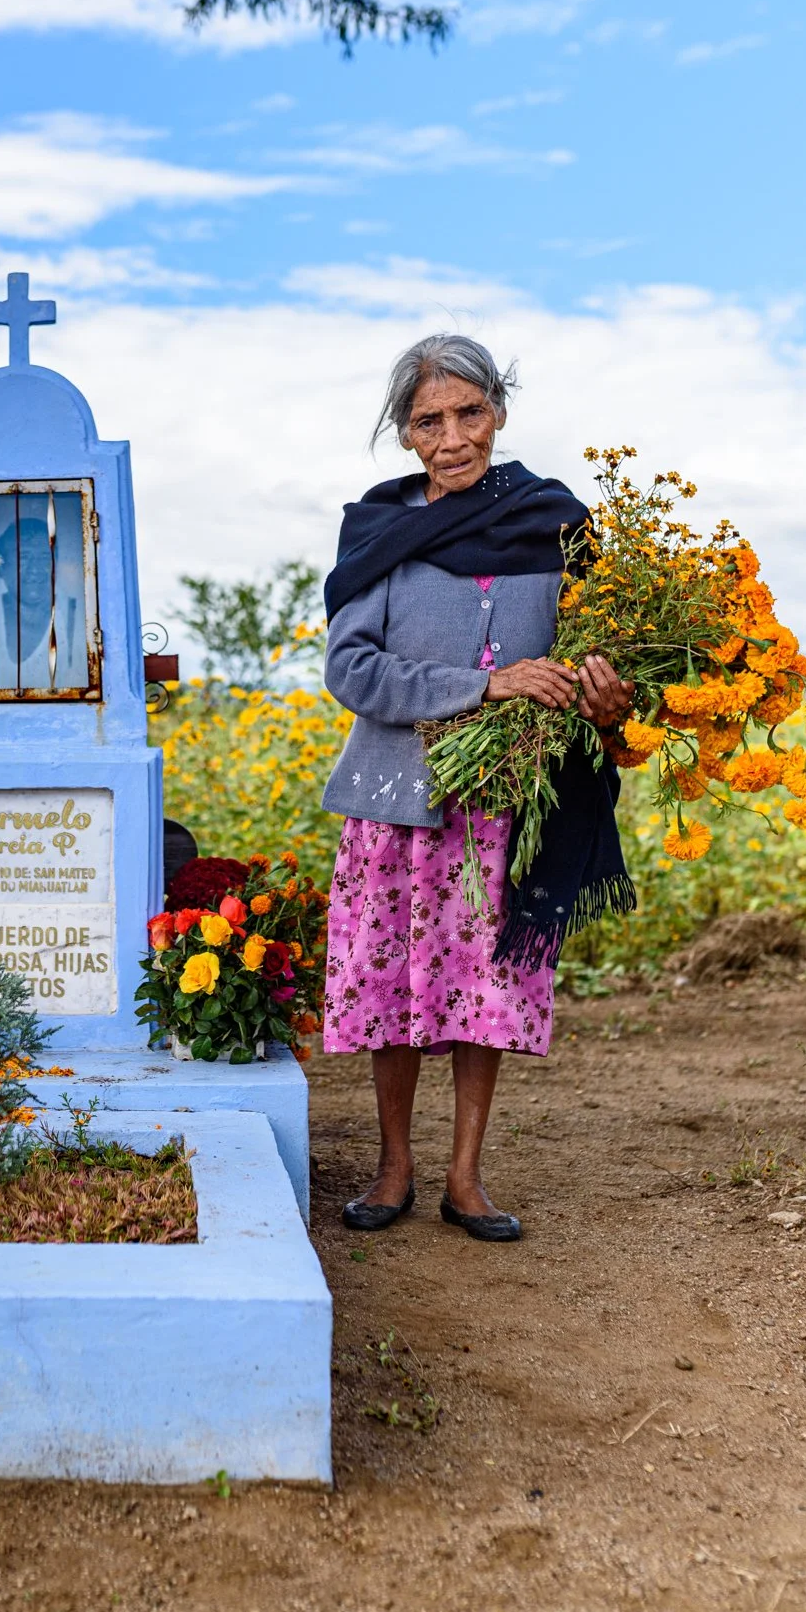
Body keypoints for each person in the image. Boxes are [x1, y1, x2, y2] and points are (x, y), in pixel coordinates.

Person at [320, 334, 634, 1240]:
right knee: (389, 989)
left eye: (469, 413)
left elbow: (602, 654)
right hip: (396, 808)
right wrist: (482, 684)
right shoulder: (380, 534)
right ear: (404, 434)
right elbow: (352, 672)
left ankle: (465, 1178)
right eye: (428, 420)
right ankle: (392, 1169)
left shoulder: (558, 526)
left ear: (497, 412)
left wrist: (606, 694)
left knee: (482, 991)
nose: (451, 436)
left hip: (506, 806)